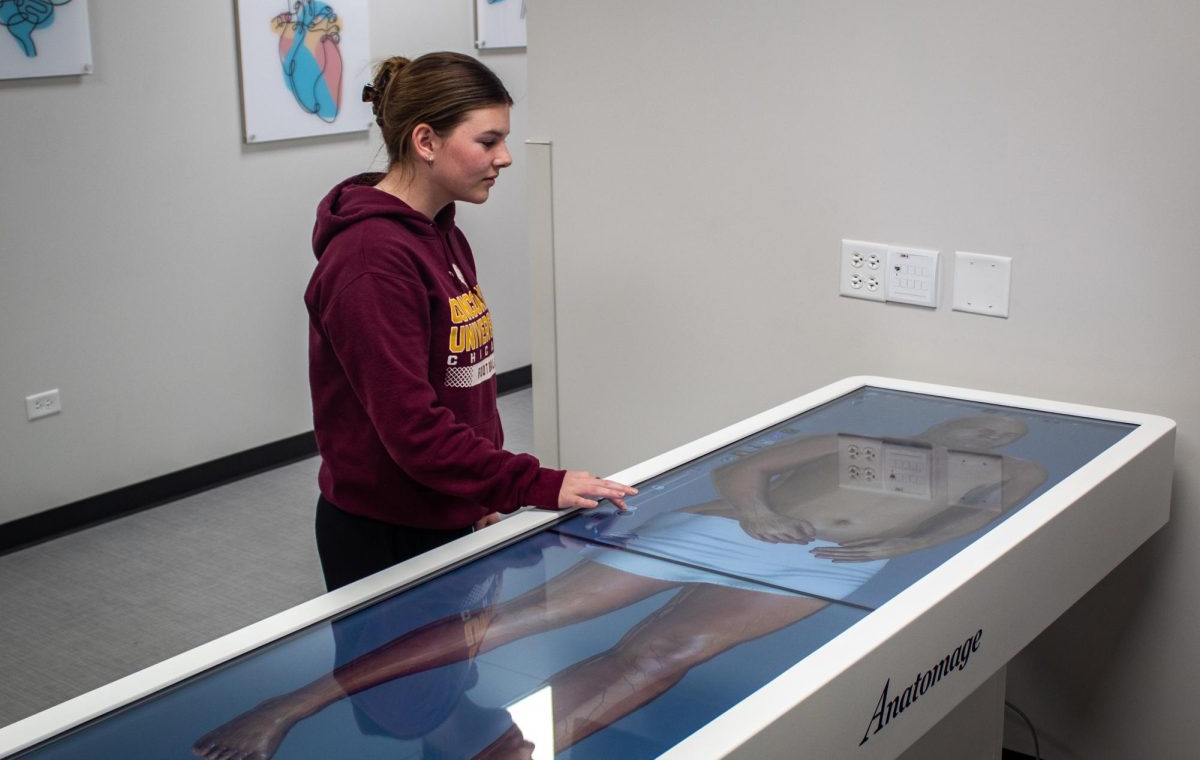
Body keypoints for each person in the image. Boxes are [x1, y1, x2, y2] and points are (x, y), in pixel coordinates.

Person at [193, 415, 1046, 759]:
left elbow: (970, 519)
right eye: (977, 424)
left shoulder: (1004, 466)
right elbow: (753, 470)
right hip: (731, 527)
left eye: (997, 430)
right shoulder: (863, 436)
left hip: (815, 567)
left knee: (663, 654)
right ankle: (288, 706)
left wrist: (876, 553)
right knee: (534, 612)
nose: (984, 433)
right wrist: (752, 514)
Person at [304, 51, 635, 591]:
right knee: (402, 678)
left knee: (459, 676)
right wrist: (533, 484)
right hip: (388, 531)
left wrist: (477, 495)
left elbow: (460, 384)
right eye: (488, 140)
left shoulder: (442, 232)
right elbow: (413, 429)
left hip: (446, 509)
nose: (505, 157)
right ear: (426, 141)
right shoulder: (370, 261)